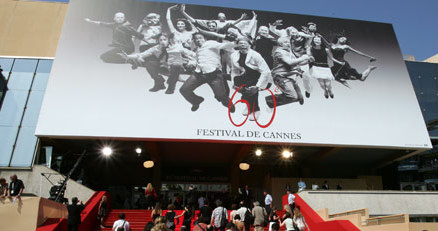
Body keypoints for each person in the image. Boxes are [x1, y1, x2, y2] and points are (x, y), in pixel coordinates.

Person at [179, 32, 236, 112]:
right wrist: (192, 62)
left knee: (220, 96)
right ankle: (196, 101)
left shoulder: (210, 43)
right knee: (184, 90)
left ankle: (229, 104)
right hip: (199, 74)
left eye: (200, 38)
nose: (198, 40)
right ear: (194, 41)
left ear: (205, 39)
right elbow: (199, 60)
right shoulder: (198, 49)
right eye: (196, 39)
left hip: (214, 75)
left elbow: (224, 46)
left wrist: (236, 42)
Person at [231, 36, 271, 121]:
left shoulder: (255, 55)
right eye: (240, 43)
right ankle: (249, 104)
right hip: (245, 75)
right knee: (237, 83)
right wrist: (233, 82)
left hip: (259, 76)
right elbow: (234, 70)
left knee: (251, 88)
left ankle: (256, 109)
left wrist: (258, 86)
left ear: (250, 45)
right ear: (237, 45)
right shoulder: (234, 55)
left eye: (245, 43)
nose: (242, 45)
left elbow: (266, 71)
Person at [265, 37, 312, 109]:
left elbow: (297, 63)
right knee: (293, 97)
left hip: (290, 76)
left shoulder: (289, 51)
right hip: (281, 77)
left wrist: (308, 60)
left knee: (299, 97)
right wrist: (303, 57)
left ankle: (294, 96)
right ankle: (270, 101)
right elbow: (289, 62)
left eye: (288, 42)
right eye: (285, 42)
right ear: (280, 44)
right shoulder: (279, 52)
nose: (288, 44)